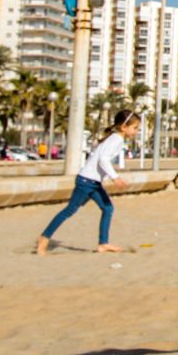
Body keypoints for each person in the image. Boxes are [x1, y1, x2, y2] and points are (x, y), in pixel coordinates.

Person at [36, 110, 139, 256]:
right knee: (70, 210)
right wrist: (115, 177)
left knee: (108, 208)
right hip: (86, 181)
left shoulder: (116, 138)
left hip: (93, 182)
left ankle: (103, 244)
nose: (136, 131)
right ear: (124, 127)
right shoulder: (116, 139)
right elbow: (103, 159)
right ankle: (44, 238)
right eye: (135, 128)